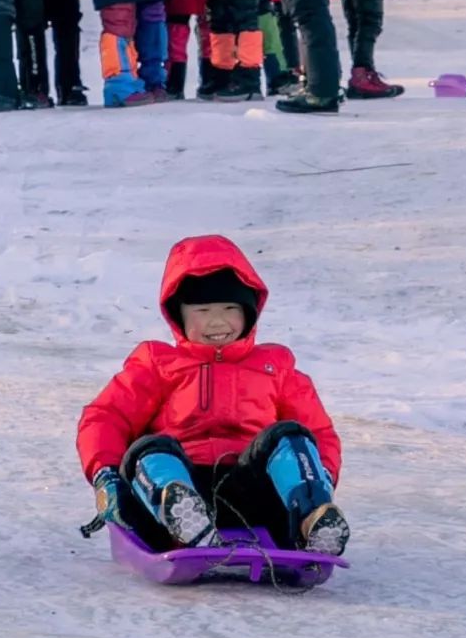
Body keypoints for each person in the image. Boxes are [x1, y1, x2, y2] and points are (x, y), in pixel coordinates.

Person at [76, 234, 349, 555]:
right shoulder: (157, 363)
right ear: (179, 315)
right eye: (203, 310)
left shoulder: (275, 366)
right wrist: (105, 475)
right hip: (182, 485)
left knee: (290, 436)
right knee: (148, 449)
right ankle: (182, 516)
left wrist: (323, 480)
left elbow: (318, 432)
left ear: (249, 312)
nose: (217, 321)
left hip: (254, 494)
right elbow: (106, 417)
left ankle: (312, 518)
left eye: (230, 307)